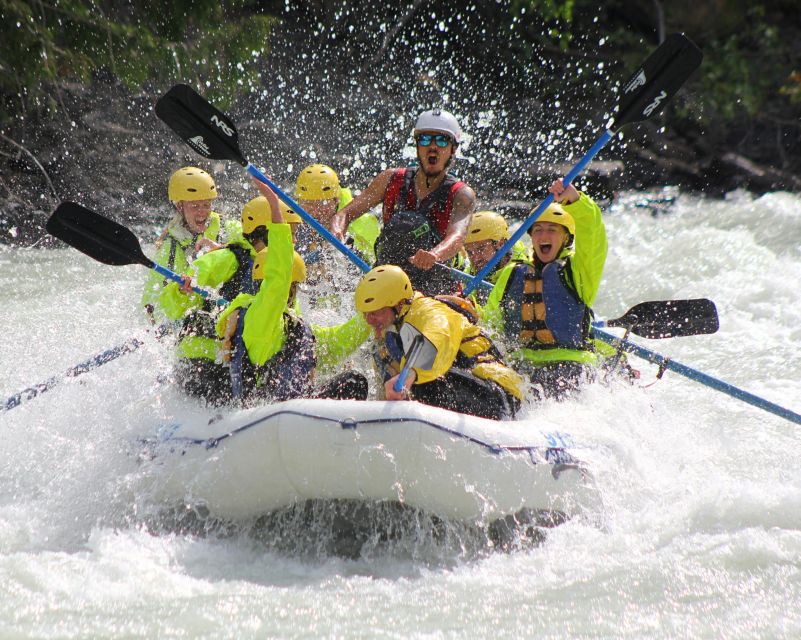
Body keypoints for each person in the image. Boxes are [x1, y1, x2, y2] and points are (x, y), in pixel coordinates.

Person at [215, 179, 371, 405]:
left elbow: (335, 345)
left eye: (295, 286)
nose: (292, 291)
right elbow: (278, 277)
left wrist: (371, 313)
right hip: (266, 413)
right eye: (292, 285)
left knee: (353, 382)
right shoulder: (260, 313)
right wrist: (276, 212)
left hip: (290, 410)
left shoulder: (289, 321)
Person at [481, 180, 611, 400]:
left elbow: (594, 238)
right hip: (521, 368)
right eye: (538, 230)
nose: (544, 236)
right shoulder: (512, 274)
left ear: (566, 238)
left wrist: (575, 201)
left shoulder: (577, 273)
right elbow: (490, 323)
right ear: (531, 237)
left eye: (552, 230)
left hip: (570, 367)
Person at [331, 109, 476, 296]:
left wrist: (434, 254)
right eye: (425, 140)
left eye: (441, 140)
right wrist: (337, 230)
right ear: (417, 146)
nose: (432, 147)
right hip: (387, 281)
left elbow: (457, 237)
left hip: (435, 288)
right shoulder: (390, 180)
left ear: (453, 149)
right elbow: (344, 214)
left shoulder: (462, 194)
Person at [354, 264, 524, 420]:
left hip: (497, 394)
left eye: (376, 313)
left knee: (423, 385)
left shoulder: (430, 311)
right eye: (366, 314)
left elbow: (438, 336)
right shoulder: (388, 333)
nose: (369, 320)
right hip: (460, 393)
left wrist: (411, 372)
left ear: (398, 305)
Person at [157, 193, 277, 403]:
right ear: (262, 233)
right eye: (285, 233)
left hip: (239, 360)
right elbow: (171, 306)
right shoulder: (226, 258)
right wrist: (181, 290)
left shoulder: (280, 269)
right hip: (203, 356)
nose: (291, 240)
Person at [141, 166, 229, 323]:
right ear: (179, 206)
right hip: (197, 320)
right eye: (195, 206)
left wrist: (224, 248)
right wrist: (179, 291)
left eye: (206, 205)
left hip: (230, 307)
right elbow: (154, 305)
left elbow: (255, 250)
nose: (202, 212)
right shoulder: (169, 249)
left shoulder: (227, 228)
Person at [462, 210, 530, 305]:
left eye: (481, 249)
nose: (475, 258)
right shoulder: (472, 268)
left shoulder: (522, 274)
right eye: (469, 252)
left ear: (501, 244)